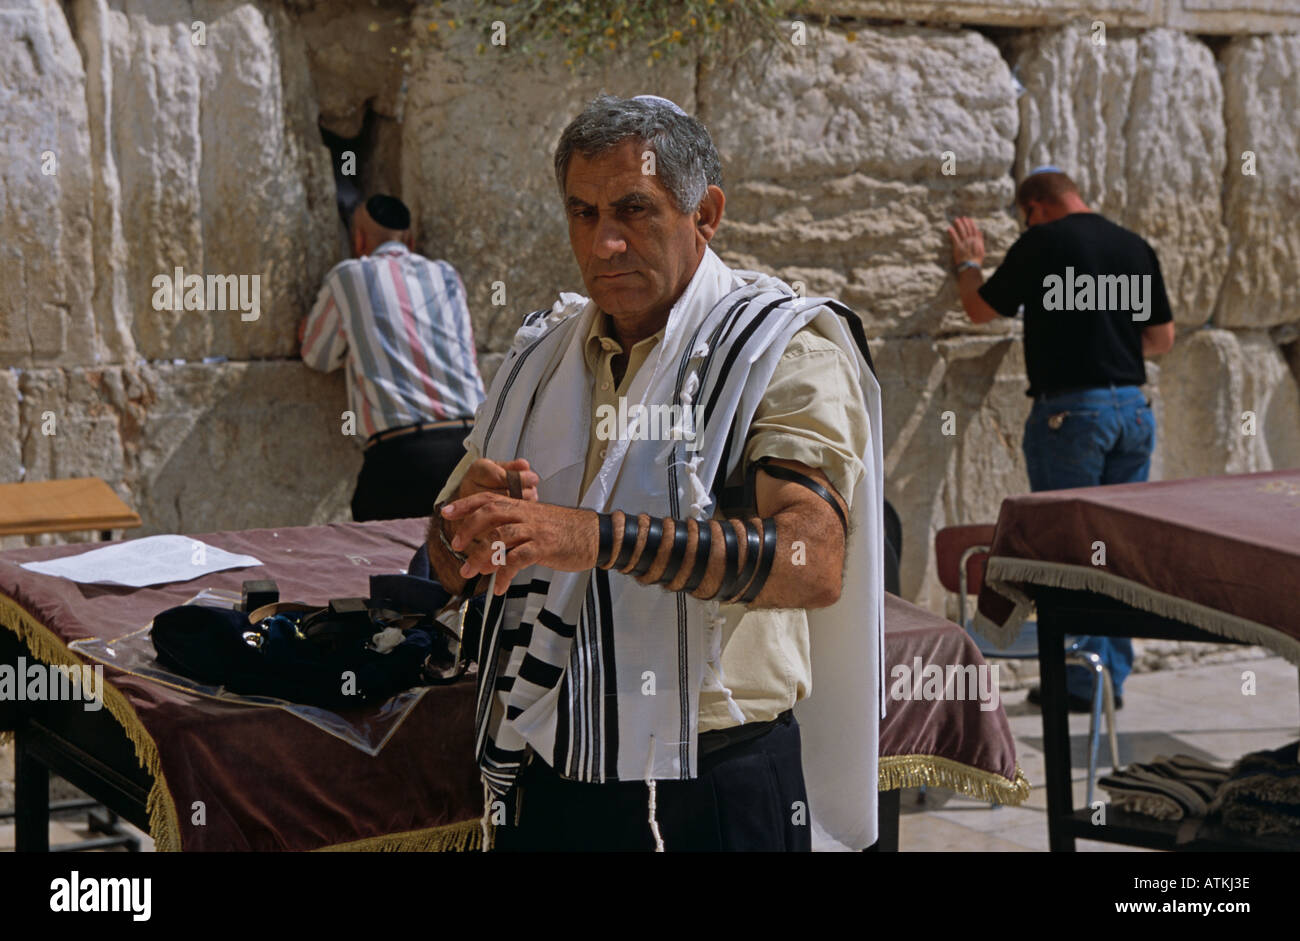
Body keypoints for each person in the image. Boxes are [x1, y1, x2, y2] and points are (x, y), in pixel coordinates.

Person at [425, 94, 886, 852]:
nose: (604, 243)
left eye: (634, 210)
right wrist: (464, 536)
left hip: (708, 786)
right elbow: (446, 565)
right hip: (549, 770)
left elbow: (814, 560)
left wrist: (595, 538)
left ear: (705, 213)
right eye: (582, 213)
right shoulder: (540, 357)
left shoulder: (782, 350)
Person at [948, 167, 1176, 711]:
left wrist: (968, 264)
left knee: (1070, 550)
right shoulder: (1133, 246)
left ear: (1035, 207)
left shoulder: (1041, 243)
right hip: (1132, 412)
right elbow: (1161, 339)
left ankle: (1076, 678)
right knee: (1116, 548)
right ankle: (1106, 678)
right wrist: (1106, 341)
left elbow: (980, 309)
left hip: (1070, 417)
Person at [300, 194, 486, 522]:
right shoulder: (446, 275)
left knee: (385, 561)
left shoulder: (348, 277)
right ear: (410, 241)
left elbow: (318, 355)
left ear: (358, 240)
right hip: (473, 446)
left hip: (404, 456)